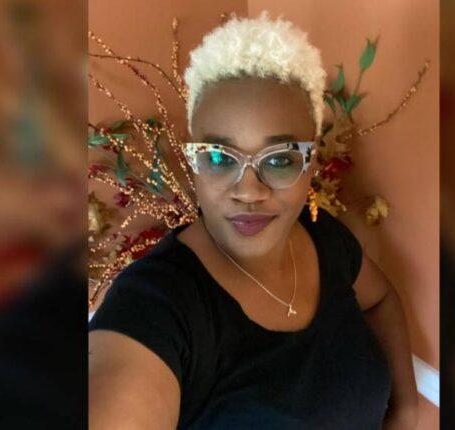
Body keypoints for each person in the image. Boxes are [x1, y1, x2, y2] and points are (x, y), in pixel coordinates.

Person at [89, 12, 417, 429]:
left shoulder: (323, 236)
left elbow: (382, 299)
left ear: (311, 162)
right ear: (193, 161)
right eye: (218, 157)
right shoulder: (157, 304)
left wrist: (406, 409)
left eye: (279, 159)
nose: (248, 191)